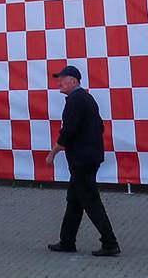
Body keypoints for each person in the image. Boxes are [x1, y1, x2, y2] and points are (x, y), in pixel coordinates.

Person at [46, 65, 119, 258]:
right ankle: (67, 241)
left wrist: (53, 152)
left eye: (62, 78)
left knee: (90, 200)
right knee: (75, 200)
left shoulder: (75, 101)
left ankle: (110, 243)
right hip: (89, 157)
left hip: (82, 160)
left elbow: (68, 131)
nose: (59, 82)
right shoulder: (86, 98)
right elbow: (100, 126)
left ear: (74, 81)